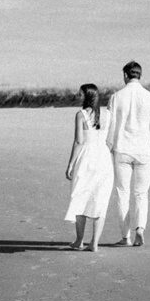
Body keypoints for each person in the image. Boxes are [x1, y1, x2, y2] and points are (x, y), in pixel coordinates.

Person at [105, 61, 150, 247]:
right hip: (144, 150)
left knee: (123, 193)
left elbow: (109, 125)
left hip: (122, 149)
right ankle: (140, 228)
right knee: (141, 193)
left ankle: (125, 236)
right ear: (140, 75)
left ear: (125, 75)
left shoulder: (116, 97)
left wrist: (109, 146)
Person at [64, 83, 113, 252]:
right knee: (100, 199)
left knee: (80, 196)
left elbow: (79, 141)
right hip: (103, 158)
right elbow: (109, 139)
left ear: (87, 96)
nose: (77, 96)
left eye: (80, 93)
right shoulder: (108, 114)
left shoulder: (81, 115)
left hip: (86, 158)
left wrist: (70, 163)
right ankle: (95, 243)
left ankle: (79, 240)